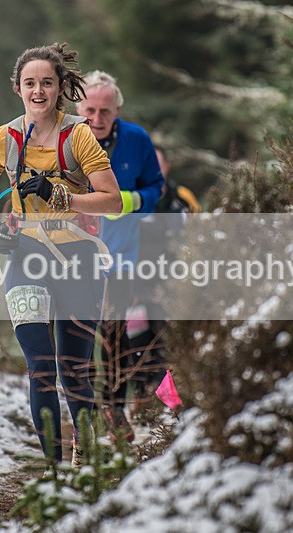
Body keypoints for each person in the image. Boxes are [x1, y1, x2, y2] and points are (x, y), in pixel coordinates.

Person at [0, 44, 122, 467]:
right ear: (17, 89)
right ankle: (55, 471)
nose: (38, 91)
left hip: (78, 256)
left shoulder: (77, 135)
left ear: (60, 89)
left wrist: (60, 194)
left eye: (47, 83)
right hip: (26, 254)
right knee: (40, 365)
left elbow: (112, 201)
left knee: (74, 368)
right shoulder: (3, 138)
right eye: (30, 83)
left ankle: (87, 461)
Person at [75, 70, 164, 442]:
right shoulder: (63, 139)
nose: (97, 119)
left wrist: (128, 201)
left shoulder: (136, 140)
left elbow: (156, 189)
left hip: (121, 255)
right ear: (78, 107)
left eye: (105, 112)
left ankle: (115, 407)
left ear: (117, 110)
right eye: (90, 110)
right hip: (72, 255)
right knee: (78, 331)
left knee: (114, 334)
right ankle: (81, 411)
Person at [128, 147, 201, 410]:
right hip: (133, 285)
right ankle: (139, 401)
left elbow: (196, 237)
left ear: (167, 166)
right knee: (135, 345)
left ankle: (172, 404)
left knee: (166, 344)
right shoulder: (129, 198)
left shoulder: (182, 199)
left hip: (168, 283)